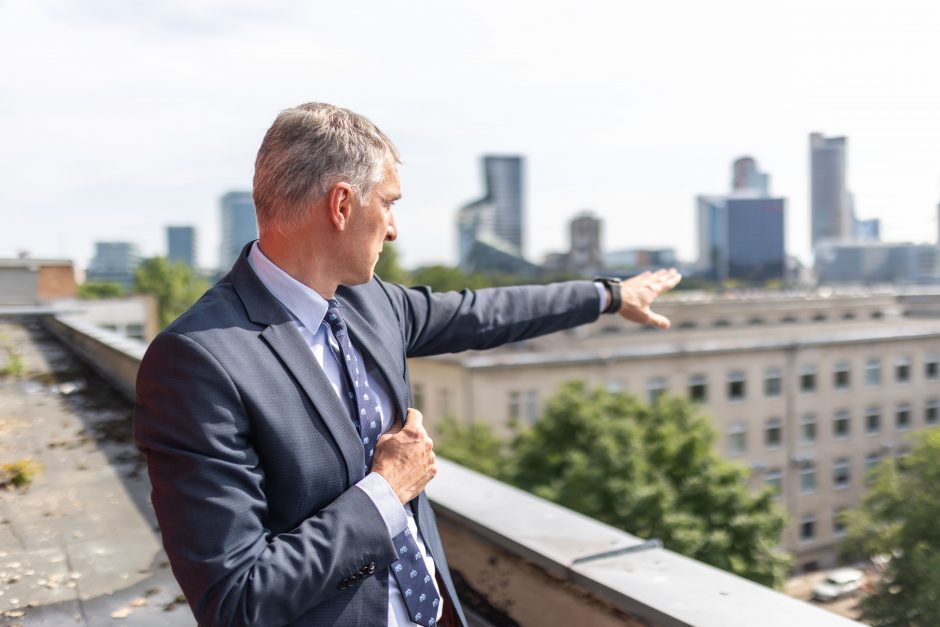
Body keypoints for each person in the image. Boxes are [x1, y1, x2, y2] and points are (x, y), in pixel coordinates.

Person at [133, 102, 681, 627]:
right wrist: (387, 490)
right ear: (342, 205)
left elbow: (483, 313)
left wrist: (608, 296)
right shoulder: (197, 362)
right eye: (389, 203)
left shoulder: (369, 302)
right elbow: (236, 600)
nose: (394, 230)